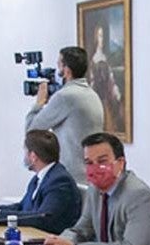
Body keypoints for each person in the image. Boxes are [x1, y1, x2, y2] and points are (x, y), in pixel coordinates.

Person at [43, 132, 150, 245]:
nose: (95, 168)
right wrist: (59, 242)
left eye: (102, 161)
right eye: (89, 163)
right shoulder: (94, 190)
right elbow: (81, 230)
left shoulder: (139, 196)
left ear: (120, 163)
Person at [24, 46, 105, 184]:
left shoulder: (65, 96)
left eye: (59, 65)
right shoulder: (93, 95)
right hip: (89, 176)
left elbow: (32, 131)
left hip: (71, 177)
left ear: (66, 70)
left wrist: (39, 103)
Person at [0, 130, 80, 235]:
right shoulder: (38, 178)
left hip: (49, 239)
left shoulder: (59, 180)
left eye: (25, 151)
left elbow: (42, 218)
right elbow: (22, 207)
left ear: (33, 156)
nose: (24, 156)